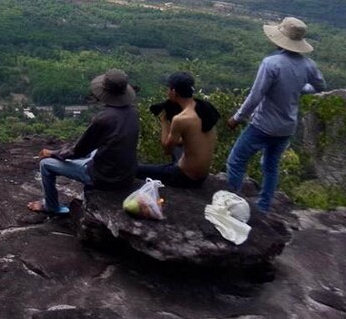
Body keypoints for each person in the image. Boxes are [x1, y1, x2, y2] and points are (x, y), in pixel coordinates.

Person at [227, 17, 326, 212]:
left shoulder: (271, 63)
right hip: (287, 127)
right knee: (271, 166)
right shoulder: (308, 65)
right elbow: (320, 87)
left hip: (263, 124)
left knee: (236, 161)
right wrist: (300, 89)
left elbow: (256, 96)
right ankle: (264, 207)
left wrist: (237, 117)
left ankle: (230, 204)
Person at [27, 69, 139, 215]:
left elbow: (78, 151)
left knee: (45, 165)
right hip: (126, 175)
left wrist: (52, 153)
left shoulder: (103, 118)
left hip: (103, 177)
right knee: (94, 151)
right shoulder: (133, 112)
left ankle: (51, 206)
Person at [137, 72, 218, 188]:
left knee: (135, 169)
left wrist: (164, 120)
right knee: (178, 144)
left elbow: (167, 149)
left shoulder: (181, 119)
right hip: (202, 175)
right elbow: (194, 138)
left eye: (168, 89)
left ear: (173, 92)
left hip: (185, 177)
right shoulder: (206, 107)